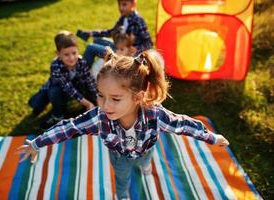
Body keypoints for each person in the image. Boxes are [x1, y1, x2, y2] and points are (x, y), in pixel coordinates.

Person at [16, 48, 229, 200]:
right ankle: (123, 196)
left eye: (115, 98)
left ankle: (145, 167)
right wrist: (37, 143)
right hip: (119, 157)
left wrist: (211, 137)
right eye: (100, 95)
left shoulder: (154, 115)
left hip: (146, 150)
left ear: (137, 97)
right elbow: (68, 127)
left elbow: (183, 125)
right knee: (122, 180)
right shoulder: (99, 117)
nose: (105, 105)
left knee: (146, 161)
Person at [28, 30, 97, 129]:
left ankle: (79, 108)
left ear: (78, 50)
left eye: (74, 53)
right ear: (58, 54)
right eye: (66, 55)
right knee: (43, 100)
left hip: (76, 87)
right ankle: (57, 117)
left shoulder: (81, 61)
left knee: (88, 87)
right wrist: (87, 103)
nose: (72, 58)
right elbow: (68, 88)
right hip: (58, 90)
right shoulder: (55, 65)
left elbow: (89, 81)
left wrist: (98, 99)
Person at [79, 0, 152, 67]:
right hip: (119, 46)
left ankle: (82, 73)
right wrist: (92, 33)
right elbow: (111, 32)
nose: (121, 8)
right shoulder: (124, 17)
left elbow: (148, 43)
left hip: (124, 53)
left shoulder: (138, 21)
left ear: (133, 4)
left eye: (124, 4)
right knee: (96, 40)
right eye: (119, 5)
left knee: (90, 48)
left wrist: (136, 50)